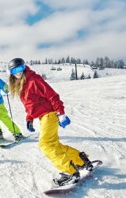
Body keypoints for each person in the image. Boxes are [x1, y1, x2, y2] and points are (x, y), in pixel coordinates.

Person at [8, 58, 93, 186]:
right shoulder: (21, 84)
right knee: (54, 145)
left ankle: (70, 172)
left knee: (45, 144)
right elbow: (30, 104)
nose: (18, 72)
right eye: (14, 70)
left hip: (50, 114)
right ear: (11, 72)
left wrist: (61, 113)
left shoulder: (34, 80)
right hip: (43, 117)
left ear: (24, 67)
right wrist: (29, 118)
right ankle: (81, 160)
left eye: (20, 69)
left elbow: (52, 95)